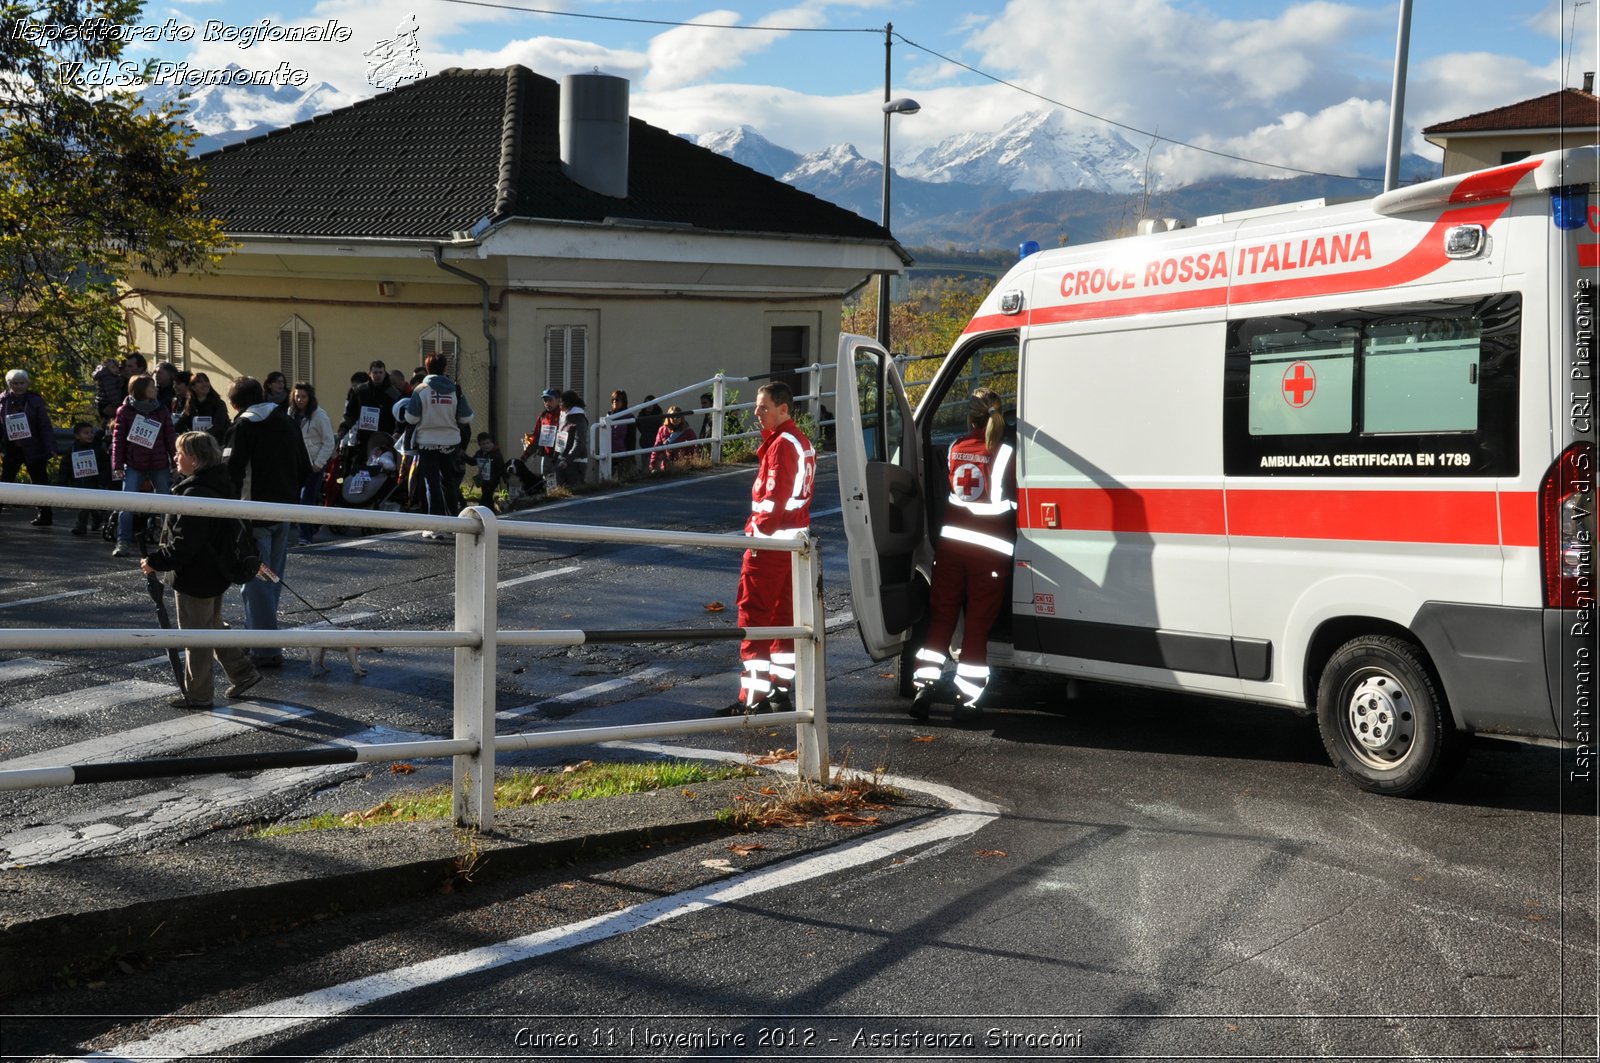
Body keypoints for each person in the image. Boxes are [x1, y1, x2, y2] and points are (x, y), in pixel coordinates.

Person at [909, 387, 1018, 719]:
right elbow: (1014, 502)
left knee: (942, 619)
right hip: (990, 553)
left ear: (970, 417)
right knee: (977, 627)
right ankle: (966, 699)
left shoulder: (956, 448)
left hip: (952, 550)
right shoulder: (1006, 453)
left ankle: (924, 687)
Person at [139, 431, 263, 710]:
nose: (175, 457)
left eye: (180, 453)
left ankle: (199, 694)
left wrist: (155, 561)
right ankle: (243, 672)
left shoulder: (195, 493)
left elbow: (185, 544)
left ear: (194, 460)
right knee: (212, 625)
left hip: (195, 575)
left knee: (195, 636)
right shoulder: (219, 484)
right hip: (216, 571)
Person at [715, 382, 815, 717]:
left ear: (784, 409)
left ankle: (752, 696)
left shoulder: (782, 445)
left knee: (754, 617)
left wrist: (754, 536)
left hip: (768, 546)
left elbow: (773, 502)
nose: (756, 413)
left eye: (763, 407)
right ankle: (779, 689)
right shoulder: (798, 441)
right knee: (784, 619)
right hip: (792, 544)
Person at [225, 375, 311, 668]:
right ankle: (259, 636)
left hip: (253, 515)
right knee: (272, 578)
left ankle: (264, 648)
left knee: (255, 579)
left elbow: (232, 472)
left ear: (235, 403)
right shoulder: (287, 421)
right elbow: (304, 466)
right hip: (285, 511)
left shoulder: (243, 426)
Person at [401, 352, 474, 537]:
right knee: (449, 482)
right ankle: (454, 525)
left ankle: (435, 526)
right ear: (444, 368)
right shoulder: (456, 389)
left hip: (427, 443)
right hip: (450, 442)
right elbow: (466, 417)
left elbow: (411, 417)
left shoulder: (420, 390)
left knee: (431, 483)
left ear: (426, 368)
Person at [110, 374, 177, 556]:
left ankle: (168, 541)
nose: (155, 389)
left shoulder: (161, 410)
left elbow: (170, 437)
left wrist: (175, 460)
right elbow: (118, 441)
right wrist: (117, 465)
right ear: (141, 390)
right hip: (134, 464)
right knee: (127, 504)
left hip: (159, 463)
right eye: (151, 387)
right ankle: (123, 541)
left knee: (165, 503)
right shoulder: (124, 411)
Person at [1, 368, 58, 527]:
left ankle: (45, 515)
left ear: (27, 384)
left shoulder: (35, 400)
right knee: (5, 482)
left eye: (22, 383)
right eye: (15, 383)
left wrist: (51, 447)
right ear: (9, 384)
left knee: (40, 482)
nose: (19, 386)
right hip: (12, 448)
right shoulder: (2, 400)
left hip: (34, 447)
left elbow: (44, 425)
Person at [289, 382, 336, 546]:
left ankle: (305, 536)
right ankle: (298, 531)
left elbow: (329, 442)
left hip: (313, 464)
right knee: (294, 498)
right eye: (297, 396)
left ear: (310, 397)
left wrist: (319, 463)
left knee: (306, 499)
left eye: (303, 396)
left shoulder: (319, 416)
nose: (300, 400)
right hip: (296, 463)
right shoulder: (291, 413)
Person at [59, 420, 111, 535]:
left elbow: (105, 466)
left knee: (90, 505)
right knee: (84, 505)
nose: (90, 435)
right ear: (77, 436)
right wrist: (62, 483)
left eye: (91, 432)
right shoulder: (71, 451)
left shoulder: (98, 450)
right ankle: (84, 525)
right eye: (86, 433)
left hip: (94, 483)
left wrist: (103, 481)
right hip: (78, 483)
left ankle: (91, 521)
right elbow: (65, 468)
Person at [339, 360, 399, 456]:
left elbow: (398, 417)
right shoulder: (360, 391)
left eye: (380, 372)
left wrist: (396, 433)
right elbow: (350, 414)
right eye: (375, 372)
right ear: (370, 374)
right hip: (363, 438)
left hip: (385, 439)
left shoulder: (393, 394)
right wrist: (343, 429)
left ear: (384, 373)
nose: (378, 375)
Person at [526, 387, 564, 492]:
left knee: (561, 485)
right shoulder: (543, 416)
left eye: (550, 400)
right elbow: (536, 436)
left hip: (560, 456)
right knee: (549, 485)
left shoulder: (563, 415)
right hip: (547, 456)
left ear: (557, 400)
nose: (547, 403)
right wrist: (526, 454)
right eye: (545, 400)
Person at [177, 371, 230, 443]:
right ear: (193, 387)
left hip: (216, 444)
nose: (205, 384)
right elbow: (181, 424)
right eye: (200, 382)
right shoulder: (190, 404)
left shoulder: (219, 404)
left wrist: (199, 437)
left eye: (206, 381)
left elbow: (218, 426)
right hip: (197, 444)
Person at [648, 404, 698, 473]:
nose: (675, 419)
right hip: (666, 467)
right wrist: (652, 466)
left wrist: (692, 464)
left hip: (683, 467)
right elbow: (656, 448)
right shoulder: (662, 430)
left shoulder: (688, 431)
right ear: (668, 417)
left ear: (681, 417)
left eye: (678, 416)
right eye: (672, 416)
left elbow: (694, 448)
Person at [554, 390, 588, 487]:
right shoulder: (565, 417)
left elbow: (579, 443)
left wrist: (566, 460)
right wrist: (555, 458)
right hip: (563, 462)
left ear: (568, 403)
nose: (559, 404)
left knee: (575, 494)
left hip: (576, 463)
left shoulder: (579, 418)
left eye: (561, 402)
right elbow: (560, 441)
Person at [470, 432, 509, 513]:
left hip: (493, 480)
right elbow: (473, 462)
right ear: (480, 445)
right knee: (487, 496)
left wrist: (504, 478)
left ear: (492, 443)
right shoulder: (479, 453)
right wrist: (463, 456)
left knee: (485, 496)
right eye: (483, 444)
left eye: (488, 443)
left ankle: (481, 512)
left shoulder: (496, 454)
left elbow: (501, 467)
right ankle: (491, 511)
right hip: (483, 479)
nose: (486, 445)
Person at [607, 389, 637, 473]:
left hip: (623, 454)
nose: (615, 402)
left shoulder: (629, 417)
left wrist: (630, 457)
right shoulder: (608, 417)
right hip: (609, 453)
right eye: (613, 400)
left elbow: (632, 439)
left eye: (617, 400)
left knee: (623, 479)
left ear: (623, 401)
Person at [635, 396, 664, 465]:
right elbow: (639, 426)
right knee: (645, 463)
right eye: (647, 403)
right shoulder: (641, 414)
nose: (648, 406)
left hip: (655, 442)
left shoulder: (658, 413)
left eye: (651, 403)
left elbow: (660, 428)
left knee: (655, 463)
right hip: (644, 442)